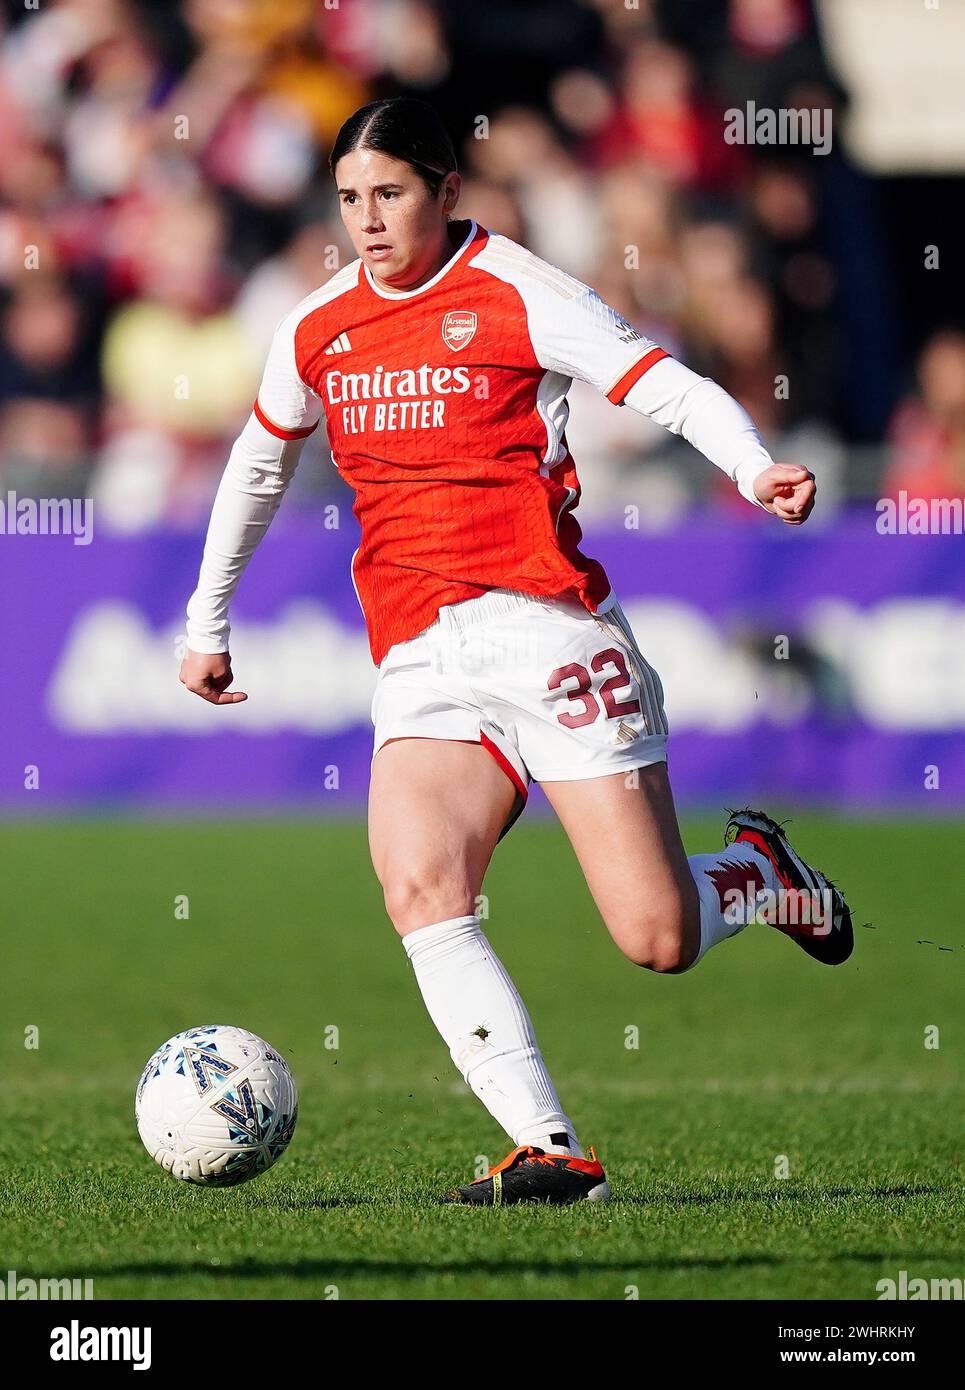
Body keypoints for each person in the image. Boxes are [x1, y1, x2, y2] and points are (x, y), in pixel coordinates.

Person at [180, 97, 852, 1206]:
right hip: (421, 654)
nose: (369, 220)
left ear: (446, 193)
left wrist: (751, 466)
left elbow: (658, 380)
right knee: (418, 882)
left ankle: (760, 875)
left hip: (547, 630)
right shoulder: (316, 323)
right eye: (350, 198)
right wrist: (206, 619)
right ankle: (551, 1147)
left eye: (391, 193)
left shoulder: (517, 290)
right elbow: (257, 466)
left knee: (656, 936)